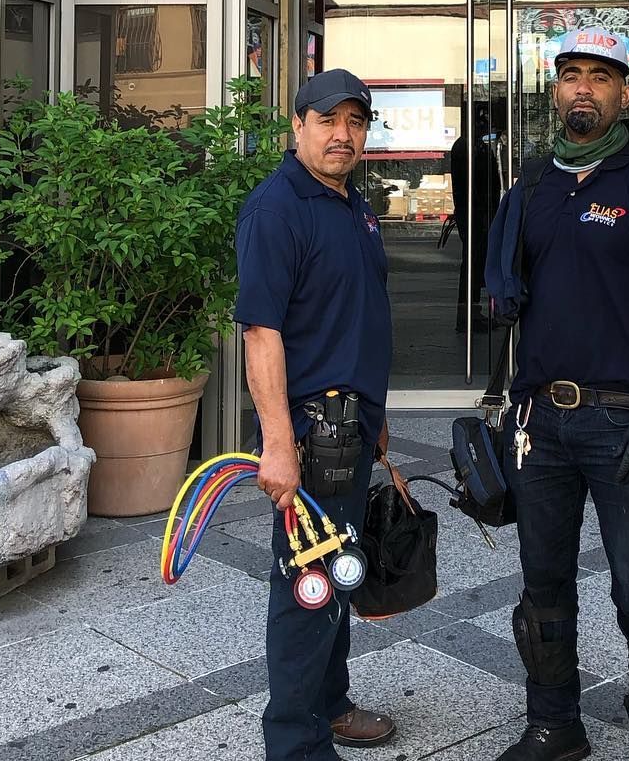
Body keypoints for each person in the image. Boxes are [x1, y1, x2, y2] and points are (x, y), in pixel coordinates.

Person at [485, 29, 629, 761]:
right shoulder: (536, 185)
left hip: (623, 421)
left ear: (625, 92)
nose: (584, 87)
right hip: (540, 421)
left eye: (600, 77)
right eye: (571, 74)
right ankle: (554, 725)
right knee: (542, 587)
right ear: (555, 89)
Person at [235, 69, 397, 760]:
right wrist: (278, 443)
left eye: (355, 121)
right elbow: (261, 332)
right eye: (328, 120)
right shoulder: (278, 207)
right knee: (307, 586)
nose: (342, 134)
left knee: (338, 570)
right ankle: (295, 744)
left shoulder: (350, 202)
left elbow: (353, 315)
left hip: (352, 425)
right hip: (308, 431)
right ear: (296, 124)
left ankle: (329, 703)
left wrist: (378, 416)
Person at [450, 103, 503, 331]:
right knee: (472, 264)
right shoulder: (466, 147)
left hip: (482, 214)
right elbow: (470, 187)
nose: (486, 127)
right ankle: (468, 314)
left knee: (478, 263)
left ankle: (475, 311)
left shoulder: (476, 146)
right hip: (475, 215)